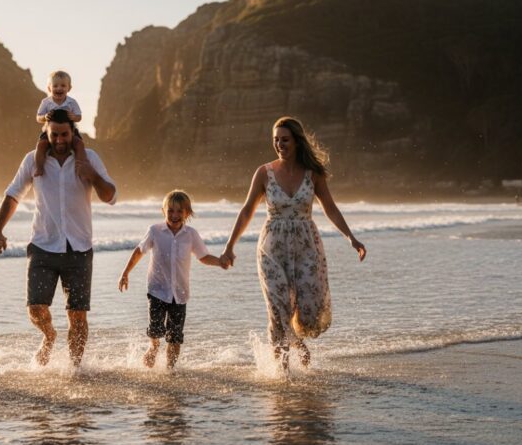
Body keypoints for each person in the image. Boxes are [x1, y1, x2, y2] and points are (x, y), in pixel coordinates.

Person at [221, 116, 366, 371]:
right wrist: (230, 246)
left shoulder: (314, 173)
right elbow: (246, 211)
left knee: (308, 309)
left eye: (284, 140)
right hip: (271, 247)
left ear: (297, 141)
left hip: (306, 246)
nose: (279, 145)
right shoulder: (264, 173)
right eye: (275, 140)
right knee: (279, 308)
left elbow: (330, 208)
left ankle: (297, 342)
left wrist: (350, 237)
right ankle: (282, 373)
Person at [0, 109, 116, 367]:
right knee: (35, 308)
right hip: (43, 246)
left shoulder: (89, 158)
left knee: (77, 316)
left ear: (73, 133)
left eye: (65, 134)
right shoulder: (32, 161)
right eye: (54, 134)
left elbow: (111, 196)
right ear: (46, 133)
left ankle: (75, 368)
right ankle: (49, 336)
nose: (59, 140)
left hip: (79, 249)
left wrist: (90, 174)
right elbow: (13, 195)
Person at [118, 190, 227, 369]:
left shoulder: (191, 234)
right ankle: (153, 347)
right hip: (157, 290)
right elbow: (139, 251)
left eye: (179, 211)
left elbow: (203, 256)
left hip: (180, 293)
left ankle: (170, 371)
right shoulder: (155, 231)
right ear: (164, 211)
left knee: (175, 337)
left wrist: (220, 262)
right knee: (156, 330)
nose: (174, 215)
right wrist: (125, 272)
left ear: (187, 213)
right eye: (170, 211)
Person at [34, 70, 84, 177]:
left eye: (63, 85)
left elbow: (79, 117)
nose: (59, 88)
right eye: (55, 86)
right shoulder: (46, 102)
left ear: (69, 88)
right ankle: (39, 167)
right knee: (41, 145)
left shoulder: (72, 102)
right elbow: (38, 118)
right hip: (49, 132)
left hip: (71, 131)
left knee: (79, 144)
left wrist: (74, 117)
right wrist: (45, 117)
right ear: (49, 88)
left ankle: (80, 166)